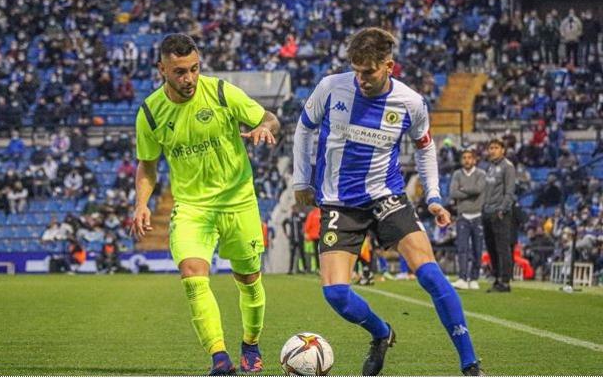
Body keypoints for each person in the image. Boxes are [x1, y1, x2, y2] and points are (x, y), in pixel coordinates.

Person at [293, 27, 483, 376]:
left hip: (386, 197)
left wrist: (435, 196)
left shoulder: (410, 103)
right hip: (339, 204)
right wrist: (301, 179)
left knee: (430, 275)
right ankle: (381, 333)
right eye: (356, 70)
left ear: (389, 66)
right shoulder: (331, 87)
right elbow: (304, 128)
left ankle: (470, 364)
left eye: (369, 71)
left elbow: (426, 149)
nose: (361, 79)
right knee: (335, 294)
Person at [131, 33, 280, 375]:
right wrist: (141, 203)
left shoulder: (221, 92)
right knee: (193, 275)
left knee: (249, 279)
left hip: (239, 201)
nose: (189, 79)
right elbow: (147, 164)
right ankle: (219, 358)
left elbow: (269, 117)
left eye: (194, 69)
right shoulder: (150, 113)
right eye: (180, 71)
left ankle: (251, 344)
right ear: (162, 70)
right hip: (192, 208)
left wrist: (264, 128)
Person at [482, 139, 516, 293]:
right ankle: (496, 278)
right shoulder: (490, 167)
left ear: (503, 150)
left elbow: (509, 191)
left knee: (503, 248)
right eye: (490, 148)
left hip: (499, 212)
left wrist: (502, 209)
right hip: (487, 212)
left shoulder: (507, 167)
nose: (492, 150)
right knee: (492, 248)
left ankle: (505, 281)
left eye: (496, 147)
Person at [449, 148, 486, 290]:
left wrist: (463, 189)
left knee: (477, 249)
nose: (467, 160)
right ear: (461, 160)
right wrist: (469, 191)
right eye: (464, 157)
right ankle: (462, 278)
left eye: (469, 157)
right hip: (462, 216)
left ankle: (474, 278)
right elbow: (453, 193)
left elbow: (479, 190)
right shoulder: (457, 174)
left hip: (478, 215)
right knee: (462, 248)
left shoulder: (481, 174)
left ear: (474, 159)